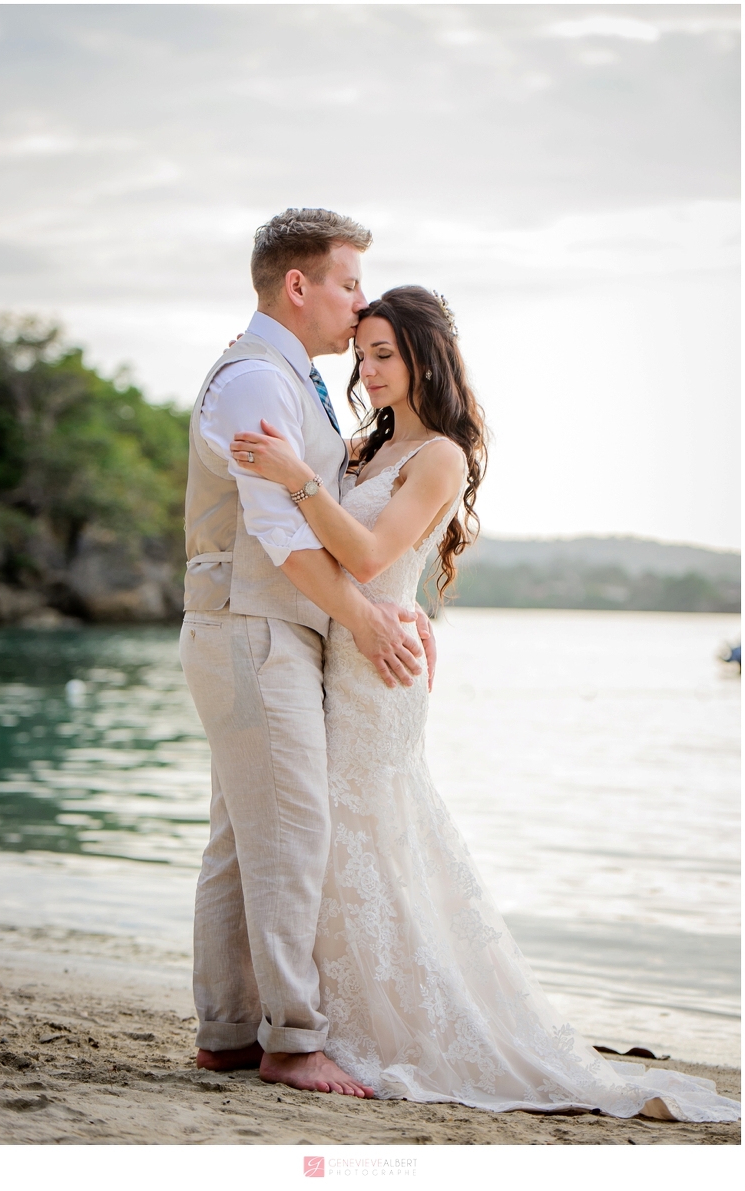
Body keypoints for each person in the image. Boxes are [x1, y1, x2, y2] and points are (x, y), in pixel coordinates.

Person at [230, 285, 740, 1122]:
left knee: (376, 836)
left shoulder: (441, 457)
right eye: (362, 353)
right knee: (329, 839)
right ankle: (307, 1016)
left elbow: (363, 554)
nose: (369, 368)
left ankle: (373, 1023)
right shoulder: (364, 445)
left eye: (385, 353)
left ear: (426, 356)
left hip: (376, 675)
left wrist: (296, 480)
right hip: (343, 653)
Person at [180, 209, 436, 1099]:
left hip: (262, 627)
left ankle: (227, 1032)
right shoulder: (258, 380)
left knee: (242, 835)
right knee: (292, 828)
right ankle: (292, 1039)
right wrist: (366, 617)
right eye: (348, 281)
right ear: (300, 285)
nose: (359, 300)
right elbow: (282, 533)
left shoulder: (290, 379)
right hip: (251, 623)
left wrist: (392, 600)